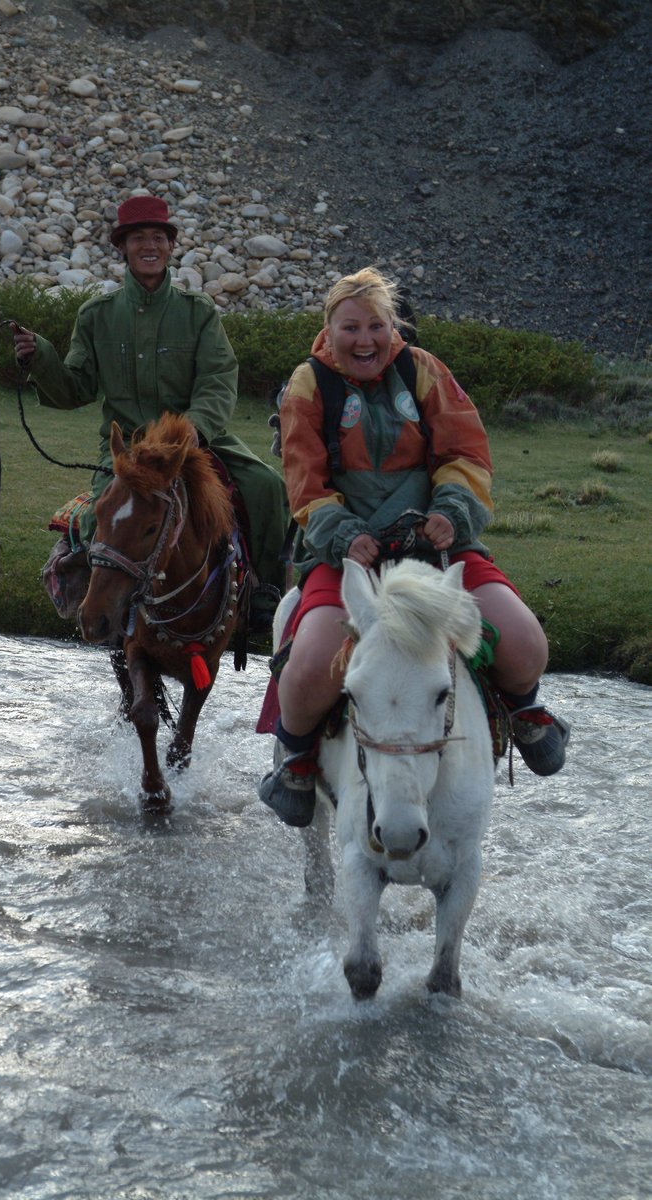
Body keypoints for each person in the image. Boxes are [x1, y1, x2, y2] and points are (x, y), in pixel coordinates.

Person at [258, 266, 570, 827]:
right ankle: (298, 759)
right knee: (305, 674)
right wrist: (342, 533)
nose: (364, 340)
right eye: (350, 327)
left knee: (524, 642)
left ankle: (523, 711)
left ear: (391, 326)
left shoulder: (424, 370)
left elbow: (466, 452)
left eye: (375, 326)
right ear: (328, 329)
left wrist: (452, 511)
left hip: (434, 548)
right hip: (347, 556)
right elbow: (304, 479)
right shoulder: (307, 386)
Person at [11, 193, 288, 629]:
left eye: (158, 236)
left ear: (170, 246)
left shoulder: (199, 314)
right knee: (97, 514)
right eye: (138, 237)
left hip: (190, 446)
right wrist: (39, 358)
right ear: (122, 247)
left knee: (267, 486)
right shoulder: (96, 316)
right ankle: (96, 599)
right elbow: (75, 388)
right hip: (127, 452)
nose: (149, 246)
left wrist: (197, 427)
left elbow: (218, 378)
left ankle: (264, 594)